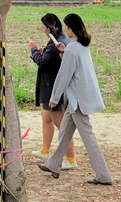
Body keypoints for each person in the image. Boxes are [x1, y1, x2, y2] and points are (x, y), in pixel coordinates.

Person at [37, 13, 113, 186]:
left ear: (71, 28)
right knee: (64, 132)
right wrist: (64, 53)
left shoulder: (73, 48)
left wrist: (54, 98)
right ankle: (53, 164)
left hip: (78, 101)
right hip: (79, 99)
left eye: (66, 27)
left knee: (88, 137)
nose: (64, 29)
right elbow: (74, 66)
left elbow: (65, 75)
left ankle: (103, 175)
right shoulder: (80, 45)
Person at [27, 13, 77, 170]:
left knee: (62, 126)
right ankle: (44, 150)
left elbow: (43, 63)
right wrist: (44, 52)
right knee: (46, 116)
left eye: (43, 26)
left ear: (49, 27)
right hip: (50, 86)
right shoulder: (59, 40)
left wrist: (34, 50)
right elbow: (50, 59)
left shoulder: (57, 43)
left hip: (53, 89)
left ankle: (71, 159)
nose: (42, 29)